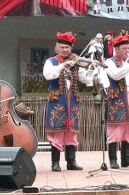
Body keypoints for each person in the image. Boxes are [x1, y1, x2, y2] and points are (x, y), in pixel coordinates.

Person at [43, 32, 95, 172]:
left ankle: (71, 161)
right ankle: (55, 162)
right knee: (57, 132)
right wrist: (63, 65)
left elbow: (86, 81)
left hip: (72, 101)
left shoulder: (76, 63)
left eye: (68, 47)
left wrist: (90, 70)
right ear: (57, 47)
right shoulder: (51, 61)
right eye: (63, 47)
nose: (65, 50)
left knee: (72, 132)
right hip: (57, 101)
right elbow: (48, 75)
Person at [103, 33, 129, 168]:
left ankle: (126, 159)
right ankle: (113, 160)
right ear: (116, 49)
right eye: (124, 49)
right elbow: (116, 75)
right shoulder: (110, 62)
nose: (127, 51)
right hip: (117, 98)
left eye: (128, 49)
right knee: (115, 129)